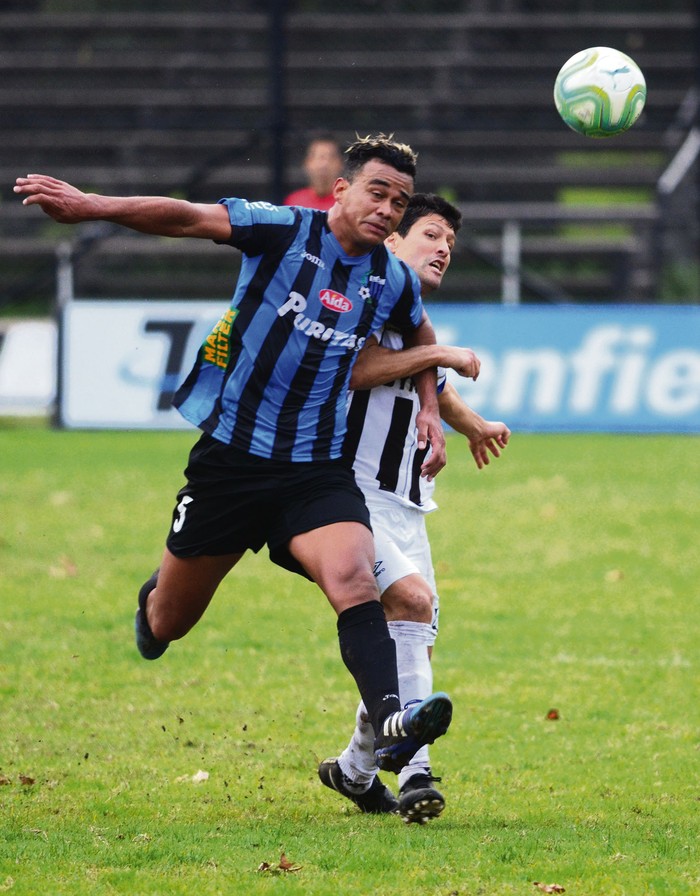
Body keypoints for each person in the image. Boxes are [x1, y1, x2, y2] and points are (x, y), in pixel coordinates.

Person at [15, 136, 480, 776]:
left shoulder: (390, 276)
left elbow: (418, 325)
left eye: (399, 202)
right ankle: (155, 605)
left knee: (352, 579)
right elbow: (186, 216)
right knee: (169, 623)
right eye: (377, 192)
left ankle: (394, 725)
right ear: (340, 190)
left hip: (313, 473)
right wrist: (91, 205)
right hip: (231, 464)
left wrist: (430, 403)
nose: (387, 211)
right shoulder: (284, 229)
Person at [317, 193, 510, 822]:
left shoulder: (412, 318)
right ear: (392, 242)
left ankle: (353, 769)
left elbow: (438, 390)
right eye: (431, 234)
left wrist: (475, 425)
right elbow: (362, 369)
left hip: (406, 503)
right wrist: (440, 353)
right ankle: (418, 770)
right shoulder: (365, 302)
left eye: (450, 242)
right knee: (415, 605)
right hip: (350, 497)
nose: (444, 248)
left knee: (413, 648)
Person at [283, 133, 344, 211]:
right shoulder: (293, 202)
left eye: (330, 157)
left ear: (340, 163)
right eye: (319, 157)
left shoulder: (347, 201)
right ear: (307, 163)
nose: (324, 164)